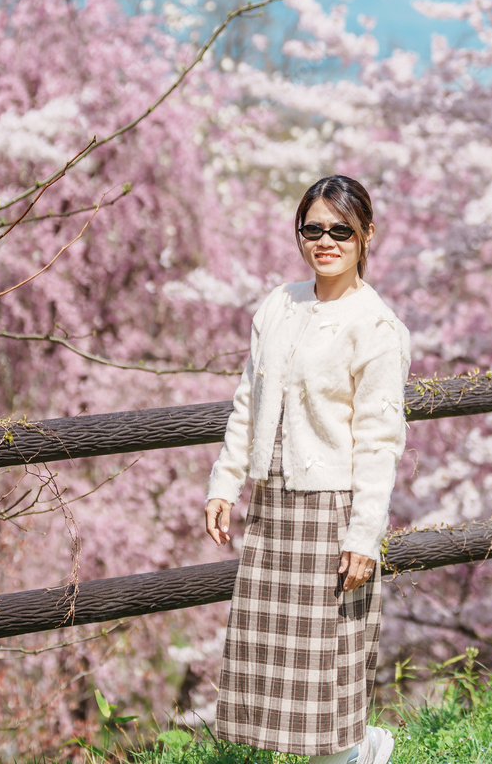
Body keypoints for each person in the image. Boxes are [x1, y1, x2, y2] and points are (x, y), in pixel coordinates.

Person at [205, 175, 411, 764]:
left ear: (366, 235)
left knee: (325, 660)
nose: (326, 241)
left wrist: (364, 535)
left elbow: (379, 442)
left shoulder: (376, 326)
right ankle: (364, 748)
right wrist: (225, 483)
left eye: (341, 230)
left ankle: (357, 752)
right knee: (274, 662)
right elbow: (248, 402)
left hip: (331, 507)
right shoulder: (278, 304)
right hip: (272, 504)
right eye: (313, 229)